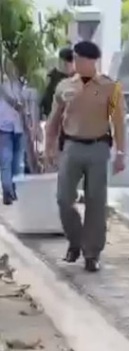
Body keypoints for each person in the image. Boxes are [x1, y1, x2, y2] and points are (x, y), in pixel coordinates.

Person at [45, 41, 125, 273]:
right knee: (63, 198)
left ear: (92, 61)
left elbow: (118, 122)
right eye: (74, 59)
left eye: (79, 59)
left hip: (98, 147)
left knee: (96, 202)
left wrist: (121, 153)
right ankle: (75, 240)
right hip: (72, 146)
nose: (75, 63)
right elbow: (53, 119)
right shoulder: (64, 86)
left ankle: (92, 254)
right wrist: (49, 147)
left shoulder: (111, 87)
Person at [0, 72, 39, 204]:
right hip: (3, 127)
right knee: (6, 161)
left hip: (19, 127)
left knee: (17, 163)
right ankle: (7, 191)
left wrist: (32, 126)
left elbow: (30, 107)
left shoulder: (23, 86)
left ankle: (14, 190)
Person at [40, 47, 74, 119]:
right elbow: (46, 93)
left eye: (69, 61)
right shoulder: (52, 75)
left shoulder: (74, 77)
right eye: (65, 61)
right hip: (52, 113)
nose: (67, 64)